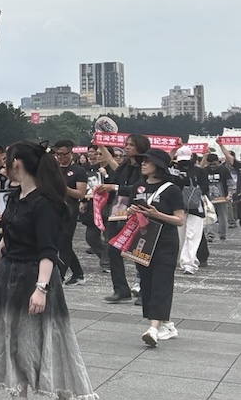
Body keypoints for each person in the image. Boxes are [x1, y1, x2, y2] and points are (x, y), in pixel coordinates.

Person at [0, 142, 96, 400]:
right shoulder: (17, 197)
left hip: (34, 278)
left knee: (42, 341)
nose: (2, 166)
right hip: (8, 276)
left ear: (18, 164)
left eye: (7, 161)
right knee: (13, 344)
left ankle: (61, 391)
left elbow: (48, 250)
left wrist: (41, 288)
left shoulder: (44, 202)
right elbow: (6, 240)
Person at [129, 148, 186, 347]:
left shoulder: (172, 189)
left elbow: (179, 219)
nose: (143, 164)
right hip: (143, 242)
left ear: (159, 166)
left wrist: (156, 214)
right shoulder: (138, 187)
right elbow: (131, 212)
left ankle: (153, 328)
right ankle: (166, 323)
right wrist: (131, 211)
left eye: (147, 161)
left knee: (161, 282)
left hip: (165, 243)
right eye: (142, 160)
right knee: (147, 283)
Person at [97, 134, 147, 303]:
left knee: (137, 252)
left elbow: (140, 187)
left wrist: (116, 187)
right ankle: (120, 289)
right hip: (118, 211)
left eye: (131, 144)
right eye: (126, 144)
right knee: (112, 249)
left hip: (137, 211)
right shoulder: (125, 164)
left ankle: (144, 290)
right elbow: (114, 177)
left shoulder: (145, 165)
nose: (127, 147)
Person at [51, 140, 88, 286]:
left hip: (69, 210)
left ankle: (60, 275)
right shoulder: (54, 168)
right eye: (58, 154)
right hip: (53, 208)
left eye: (63, 154)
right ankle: (78, 273)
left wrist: (63, 188)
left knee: (64, 243)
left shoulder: (79, 171)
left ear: (71, 153)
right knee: (59, 242)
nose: (60, 157)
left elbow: (80, 193)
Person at [174, 147, 207, 275]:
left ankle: (189, 263)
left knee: (192, 235)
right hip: (178, 207)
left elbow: (205, 188)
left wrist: (190, 184)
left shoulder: (199, 171)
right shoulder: (174, 171)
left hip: (195, 207)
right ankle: (185, 260)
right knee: (181, 236)